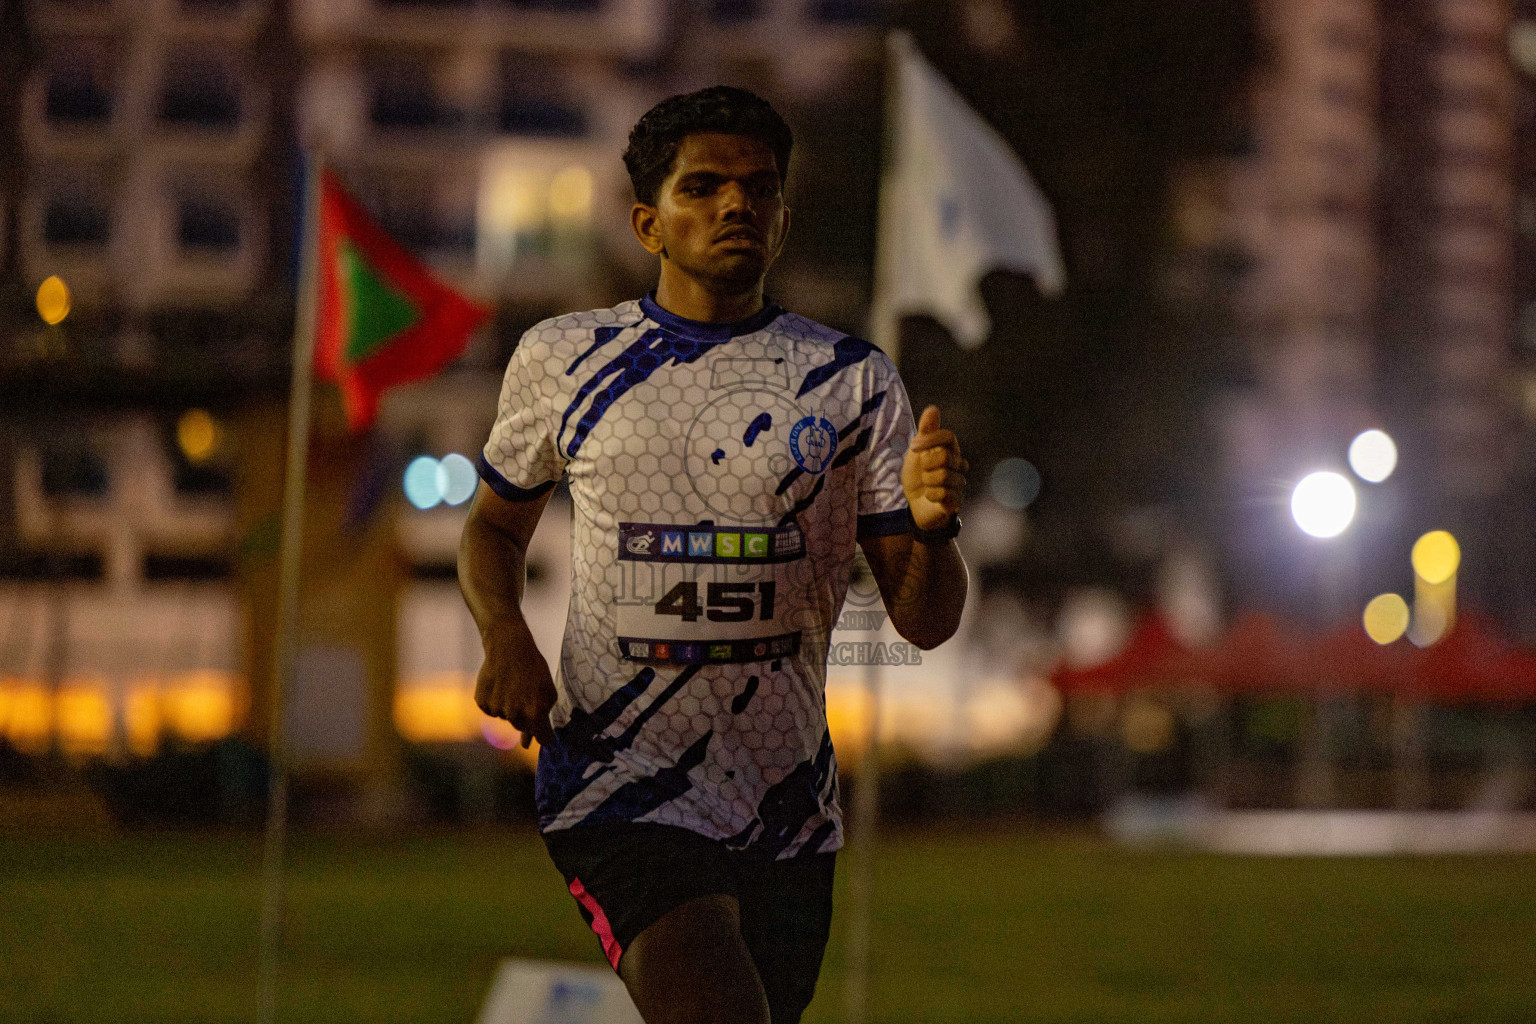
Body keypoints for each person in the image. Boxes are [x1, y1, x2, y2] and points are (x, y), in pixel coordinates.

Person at [459, 86, 969, 1024]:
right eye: (705, 188)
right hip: (620, 786)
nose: (737, 205)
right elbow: (492, 527)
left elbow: (925, 622)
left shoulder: (852, 382)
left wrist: (933, 532)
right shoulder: (566, 358)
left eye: (759, 189)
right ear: (649, 222)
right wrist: (505, 635)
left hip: (787, 807)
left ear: (781, 217)